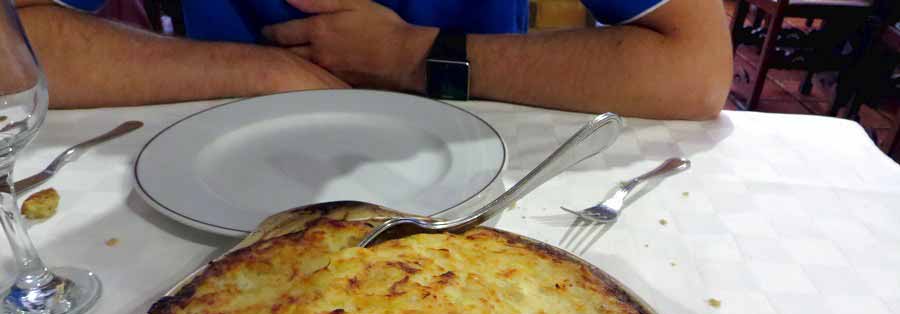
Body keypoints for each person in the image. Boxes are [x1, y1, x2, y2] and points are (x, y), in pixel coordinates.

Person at [15, 0, 732, 119]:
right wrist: (255, 70)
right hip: (228, 167)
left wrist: (412, 55)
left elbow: (695, 71)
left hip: (496, 189)